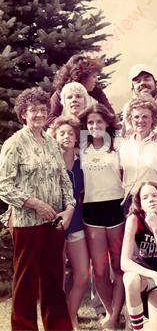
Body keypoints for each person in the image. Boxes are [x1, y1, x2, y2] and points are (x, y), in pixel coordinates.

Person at [0, 87, 75, 330]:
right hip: (26, 224)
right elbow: (4, 186)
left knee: (53, 280)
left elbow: (64, 178)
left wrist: (69, 208)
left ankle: (59, 326)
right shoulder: (14, 144)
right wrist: (36, 204)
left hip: (54, 223)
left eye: (43, 110)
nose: (39, 114)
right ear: (23, 114)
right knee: (26, 281)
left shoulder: (52, 143)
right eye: (33, 110)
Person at [78, 103, 125, 330]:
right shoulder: (82, 149)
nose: (95, 126)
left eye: (99, 121)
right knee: (99, 270)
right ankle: (110, 312)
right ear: (85, 126)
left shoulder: (119, 146)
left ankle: (115, 317)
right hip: (92, 211)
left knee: (119, 266)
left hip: (116, 208)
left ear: (107, 123)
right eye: (90, 123)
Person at [121, 181, 157, 331]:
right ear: (140, 204)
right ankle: (137, 328)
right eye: (145, 197)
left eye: (155, 195)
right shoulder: (134, 219)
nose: (151, 199)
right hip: (141, 276)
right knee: (130, 280)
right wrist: (154, 275)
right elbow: (124, 262)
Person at [50, 116, 89, 330]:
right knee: (58, 274)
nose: (67, 136)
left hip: (76, 223)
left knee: (82, 274)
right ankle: (60, 318)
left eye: (71, 133)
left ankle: (71, 314)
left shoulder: (82, 162)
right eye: (62, 133)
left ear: (77, 138)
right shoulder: (49, 162)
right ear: (54, 136)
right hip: (54, 223)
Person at [120, 98, 157, 213]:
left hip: (153, 201)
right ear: (130, 119)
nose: (140, 120)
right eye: (136, 117)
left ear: (153, 120)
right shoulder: (124, 144)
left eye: (145, 116)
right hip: (128, 202)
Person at [49, 54, 114, 124]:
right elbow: (50, 120)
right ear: (82, 77)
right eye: (94, 76)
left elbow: (111, 116)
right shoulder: (60, 94)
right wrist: (70, 121)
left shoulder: (96, 92)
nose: (96, 80)